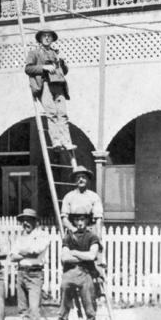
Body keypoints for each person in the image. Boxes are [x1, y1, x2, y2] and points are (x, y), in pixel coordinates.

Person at [24, 26, 77, 162]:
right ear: (41, 39)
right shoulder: (34, 53)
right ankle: (56, 142)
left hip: (58, 85)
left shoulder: (56, 53)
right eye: (44, 36)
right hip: (45, 85)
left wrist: (63, 63)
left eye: (49, 36)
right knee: (52, 113)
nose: (47, 38)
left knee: (63, 114)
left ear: (52, 38)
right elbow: (28, 68)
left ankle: (66, 141)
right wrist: (43, 67)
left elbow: (63, 72)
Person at [54, 213, 101, 320]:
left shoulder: (92, 237)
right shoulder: (68, 237)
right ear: (73, 221)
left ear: (87, 221)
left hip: (85, 274)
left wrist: (74, 252)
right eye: (77, 220)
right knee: (63, 308)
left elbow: (92, 256)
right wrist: (82, 256)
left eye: (82, 219)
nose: (80, 223)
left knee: (90, 310)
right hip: (69, 274)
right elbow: (64, 258)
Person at [7, 208, 50, 320]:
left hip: (34, 274)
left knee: (34, 308)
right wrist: (24, 252)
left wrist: (22, 252)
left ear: (35, 222)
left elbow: (36, 251)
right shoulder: (20, 237)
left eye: (29, 220)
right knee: (23, 309)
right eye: (24, 220)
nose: (26, 223)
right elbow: (12, 256)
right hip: (21, 273)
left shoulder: (42, 235)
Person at [60, 166, 104, 238]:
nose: (81, 179)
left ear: (87, 179)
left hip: (89, 230)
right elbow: (64, 218)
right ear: (75, 181)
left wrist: (98, 234)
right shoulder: (68, 197)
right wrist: (73, 229)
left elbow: (98, 218)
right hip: (73, 230)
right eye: (78, 177)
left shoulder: (94, 196)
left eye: (83, 177)